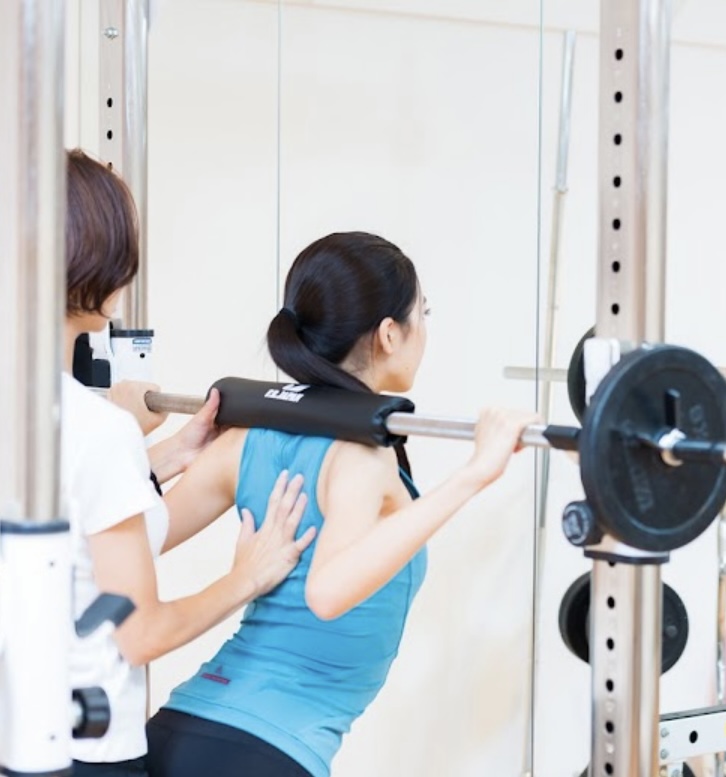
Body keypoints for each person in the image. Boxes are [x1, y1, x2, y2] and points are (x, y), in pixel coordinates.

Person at [144, 231, 540, 777]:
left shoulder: (242, 440)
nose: (425, 330)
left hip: (180, 727)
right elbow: (327, 592)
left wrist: (147, 461)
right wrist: (475, 473)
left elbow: (133, 536)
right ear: (389, 334)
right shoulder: (360, 458)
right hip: (263, 753)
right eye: (422, 313)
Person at [62, 148, 316, 777]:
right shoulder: (98, 430)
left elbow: (74, 528)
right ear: (110, 273)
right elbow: (141, 635)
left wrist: (170, 453)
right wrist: (246, 578)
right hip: (86, 754)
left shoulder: (40, 415)